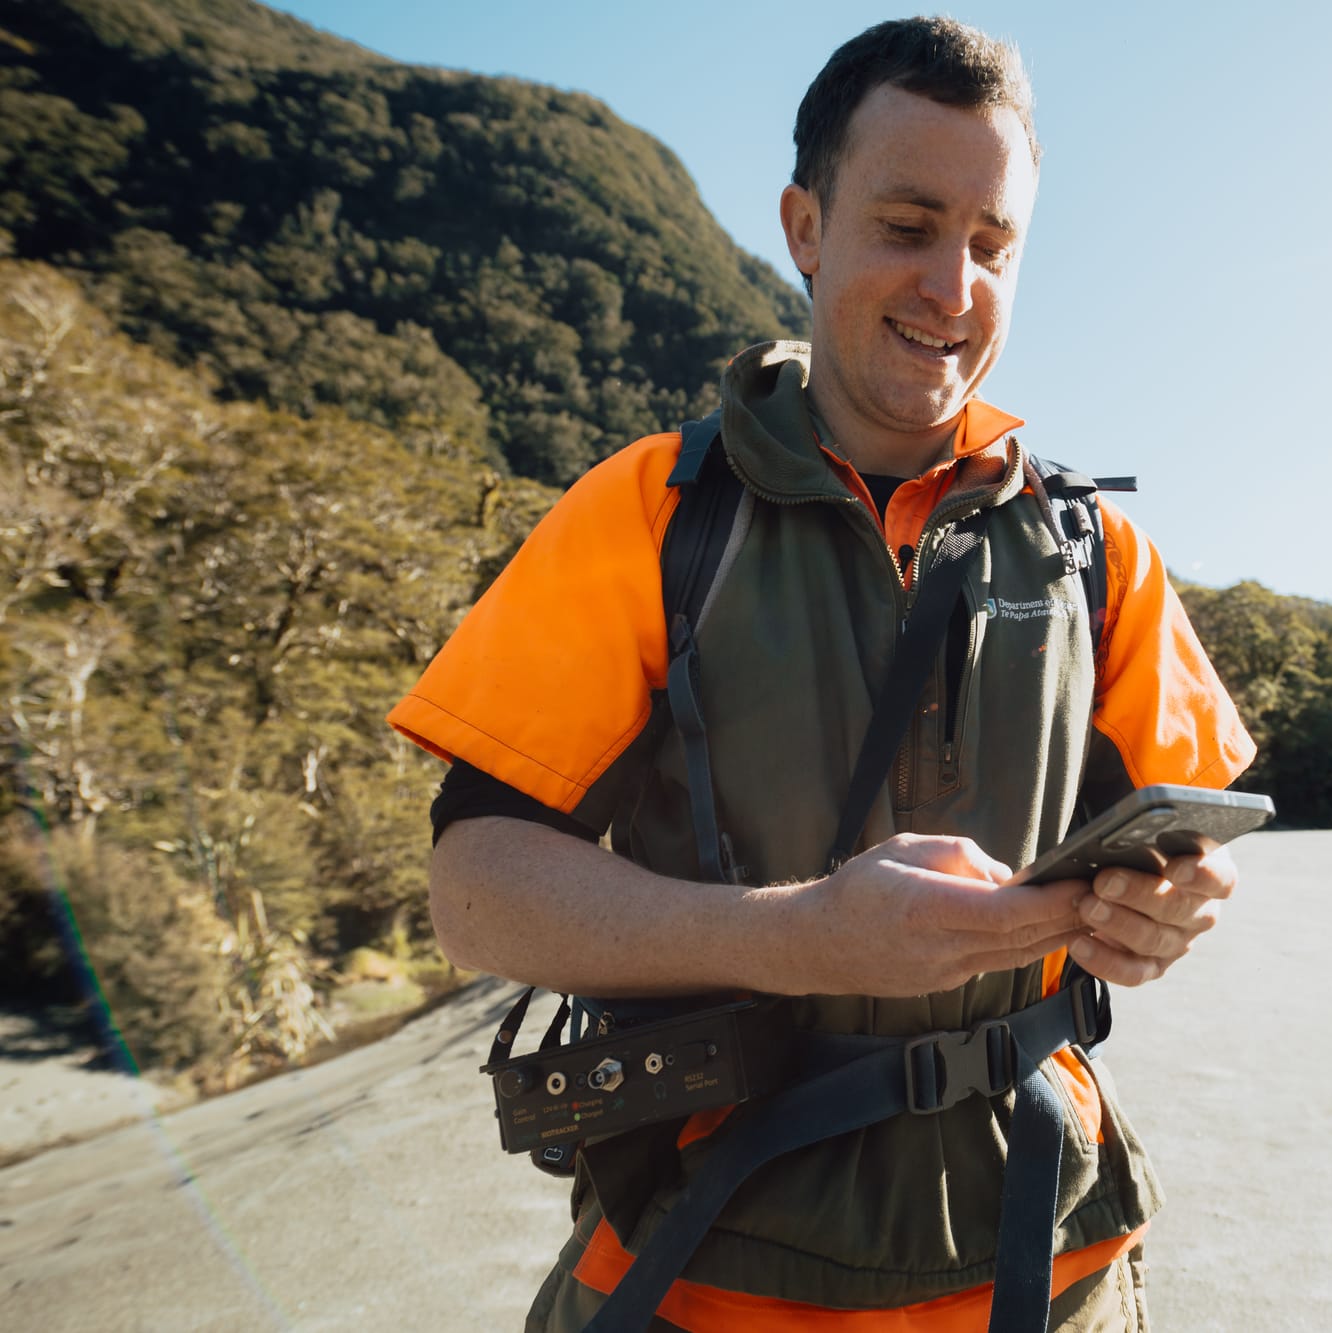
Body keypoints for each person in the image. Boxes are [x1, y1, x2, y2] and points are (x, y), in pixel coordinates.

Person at [389, 17, 1254, 1333]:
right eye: (908, 225)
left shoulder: (1097, 545)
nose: (954, 288)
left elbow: (1190, 848)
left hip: (1051, 1264)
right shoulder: (645, 515)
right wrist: (792, 937)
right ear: (804, 225)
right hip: (705, 1274)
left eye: (993, 244)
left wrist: (1174, 905)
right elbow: (474, 891)